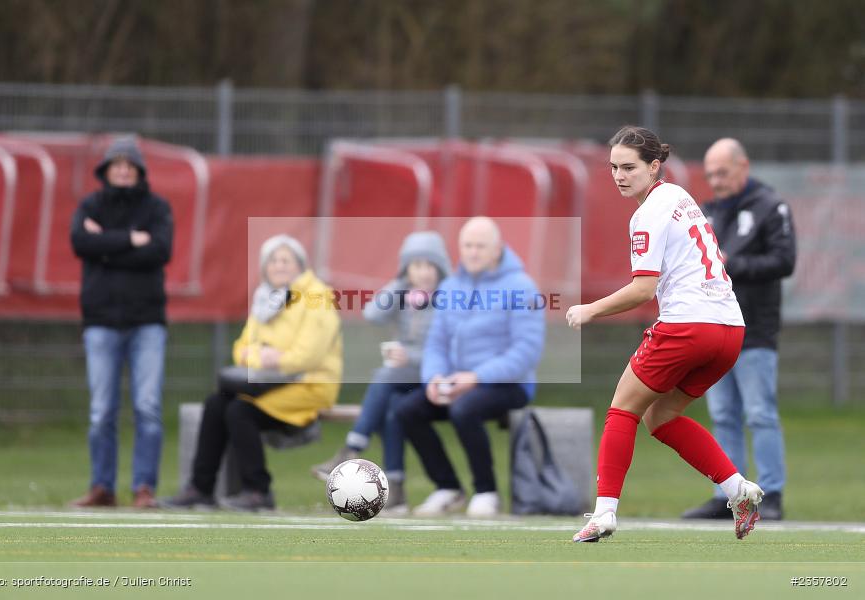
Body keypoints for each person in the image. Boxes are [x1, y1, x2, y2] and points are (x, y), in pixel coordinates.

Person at [566, 126, 763, 542]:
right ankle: (737, 489)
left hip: (688, 327)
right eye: (614, 167)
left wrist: (590, 310)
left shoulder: (648, 212)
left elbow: (643, 289)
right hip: (729, 331)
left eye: (629, 167)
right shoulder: (679, 196)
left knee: (622, 410)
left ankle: (604, 513)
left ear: (655, 166)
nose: (619, 175)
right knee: (661, 416)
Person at [162, 235, 341, 511]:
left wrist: (274, 358)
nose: (279, 266)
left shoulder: (317, 297)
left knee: (238, 410)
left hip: (308, 385)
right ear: (264, 266)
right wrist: (265, 357)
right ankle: (200, 488)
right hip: (269, 382)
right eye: (273, 260)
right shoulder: (264, 298)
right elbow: (242, 350)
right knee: (217, 403)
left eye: (286, 260)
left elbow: (308, 357)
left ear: (300, 266)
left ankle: (259, 491)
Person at [396, 216, 545, 518]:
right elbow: (436, 343)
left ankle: (486, 492)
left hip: (509, 385)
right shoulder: (451, 286)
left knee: (464, 409)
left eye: (480, 246)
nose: (473, 252)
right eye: (467, 245)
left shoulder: (522, 286)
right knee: (407, 411)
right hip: (458, 381)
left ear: (497, 249)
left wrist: (477, 377)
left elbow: (526, 352)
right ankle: (447, 487)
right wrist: (434, 379)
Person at [682, 138, 796, 521]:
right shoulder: (708, 211)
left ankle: (772, 493)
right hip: (714, 331)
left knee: (760, 413)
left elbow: (784, 260)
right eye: (710, 174)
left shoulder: (770, 206)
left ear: (742, 166)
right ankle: (726, 493)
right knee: (724, 415)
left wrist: (734, 264)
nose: (715, 181)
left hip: (754, 330)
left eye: (722, 172)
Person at [310, 231, 451, 513]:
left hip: (435, 376)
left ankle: (350, 450)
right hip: (405, 378)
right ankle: (396, 490)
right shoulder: (403, 295)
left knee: (383, 376)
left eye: (429, 266)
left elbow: (448, 351)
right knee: (391, 408)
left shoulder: (450, 298)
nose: (423, 273)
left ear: (440, 269)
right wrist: (400, 283)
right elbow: (372, 313)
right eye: (415, 266)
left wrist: (408, 355)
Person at [69, 136, 173, 509]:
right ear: (107, 170)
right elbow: (81, 243)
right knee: (101, 412)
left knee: (147, 406)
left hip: (147, 322)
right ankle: (102, 487)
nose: (124, 170)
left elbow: (160, 251)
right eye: (117, 165)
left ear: (139, 171)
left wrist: (108, 247)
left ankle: (144, 487)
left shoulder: (157, 208)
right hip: (100, 321)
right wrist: (131, 240)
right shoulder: (89, 205)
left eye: (130, 165)